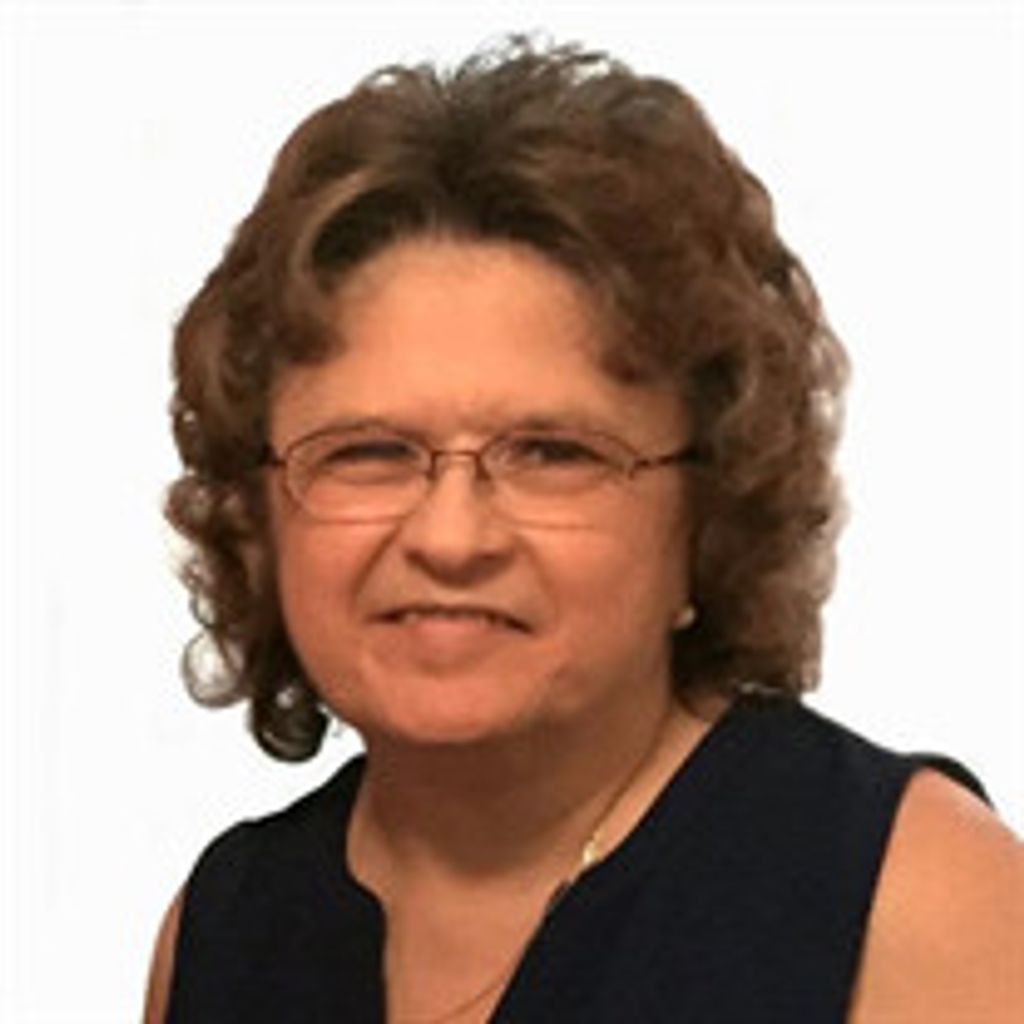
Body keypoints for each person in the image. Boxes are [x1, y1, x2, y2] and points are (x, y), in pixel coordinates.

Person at [144, 37, 1023, 1023]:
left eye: (553, 453)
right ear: (258, 511)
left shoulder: (919, 906)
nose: (451, 536)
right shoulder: (228, 925)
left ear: (710, 511)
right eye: (368, 452)